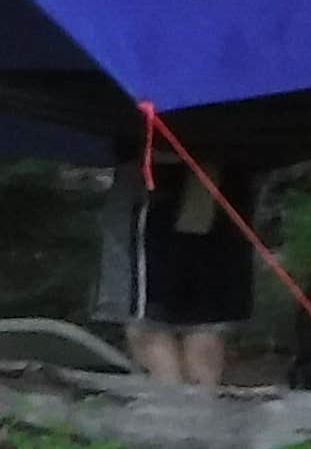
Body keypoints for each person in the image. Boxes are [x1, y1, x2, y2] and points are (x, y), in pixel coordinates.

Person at [91, 138, 258, 386]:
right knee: (204, 326)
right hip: (225, 173)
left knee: (148, 327)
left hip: (157, 179)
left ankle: (171, 415)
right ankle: (198, 412)